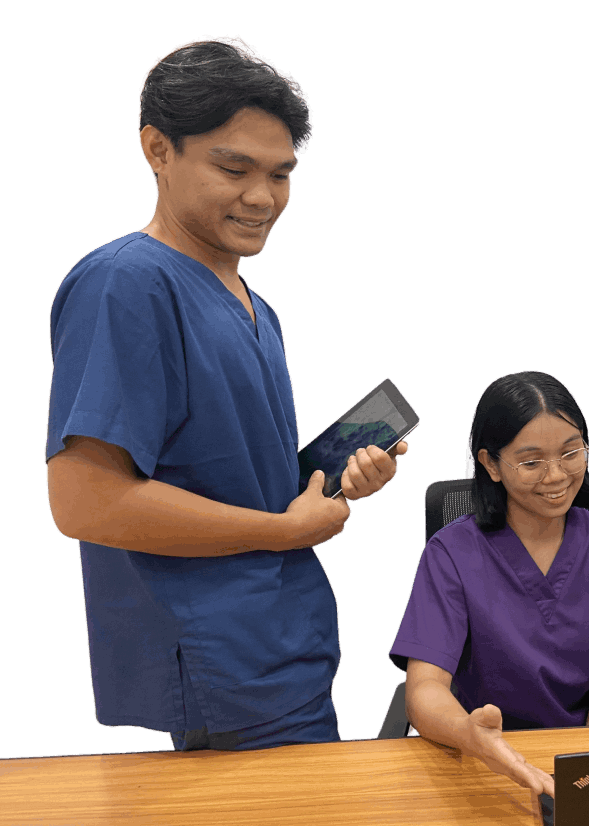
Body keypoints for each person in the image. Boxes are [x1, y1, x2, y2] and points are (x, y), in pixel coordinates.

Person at [44, 36, 408, 752]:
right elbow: (85, 500)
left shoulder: (253, 304)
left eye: (282, 173)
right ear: (158, 149)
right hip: (224, 669)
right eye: (233, 168)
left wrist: (332, 484)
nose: (263, 197)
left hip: (286, 651)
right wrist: (284, 531)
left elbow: (239, 479)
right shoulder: (126, 283)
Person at [389, 372, 589, 799]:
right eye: (532, 462)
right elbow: (424, 688)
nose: (556, 476)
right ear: (491, 465)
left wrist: (588, 754)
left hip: (583, 755)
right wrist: (469, 734)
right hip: (485, 757)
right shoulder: (451, 553)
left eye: (571, 453)